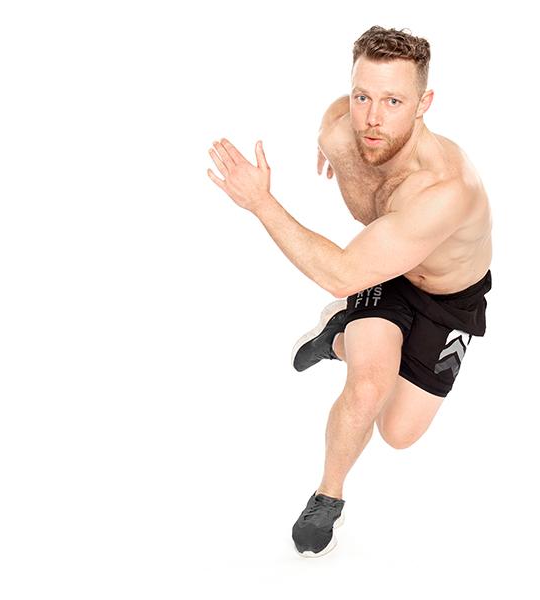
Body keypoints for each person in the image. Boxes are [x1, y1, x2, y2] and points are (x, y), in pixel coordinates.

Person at [206, 25, 493, 558]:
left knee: (400, 432)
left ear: (424, 103)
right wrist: (330, 143)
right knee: (368, 387)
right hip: (380, 268)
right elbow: (351, 264)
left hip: (448, 297)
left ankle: (338, 335)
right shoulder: (348, 125)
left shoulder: (443, 191)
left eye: (393, 101)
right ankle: (327, 496)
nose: (372, 118)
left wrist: (261, 203)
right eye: (363, 96)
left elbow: (337, 275)